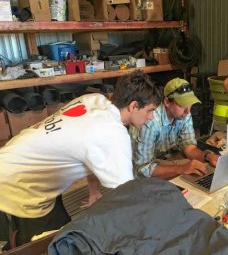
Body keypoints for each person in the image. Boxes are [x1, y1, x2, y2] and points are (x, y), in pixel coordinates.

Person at [0, 70, 162, 248]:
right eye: (150, 110)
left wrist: (94, 192)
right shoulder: (112, 133)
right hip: (19, 183)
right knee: (51, 245)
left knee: (67, 229)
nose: (151, 117)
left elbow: (92, 153)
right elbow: (125, 196)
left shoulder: (95, 100)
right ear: (133, 106)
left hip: (15, 160)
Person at [130, 77, 220, 180]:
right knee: (188, 168)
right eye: (182, 105)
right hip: (141, 171)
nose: (187, 111)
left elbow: (188, 146)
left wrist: (207, 156)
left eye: (190, 105)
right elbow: (143, 169)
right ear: (167, 102)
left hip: (165, 159)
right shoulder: (150, 122)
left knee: (198, 169)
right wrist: (181, 169)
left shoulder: (184, 114)